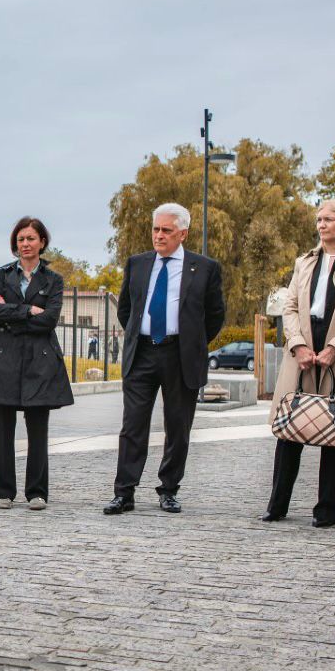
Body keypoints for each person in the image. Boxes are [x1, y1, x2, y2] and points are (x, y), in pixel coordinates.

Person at [262, 200, 335, 527]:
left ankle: (327, 510)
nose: (321, 224)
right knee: (289, 429)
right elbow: (289, 307)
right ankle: (276, 505)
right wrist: (297, 344)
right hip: (302, 349)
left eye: (328, 219)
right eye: (319, 219)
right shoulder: (304, 262)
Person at [104, 203, 225, 516]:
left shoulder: (205, 268)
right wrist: (138, 335)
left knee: (178, 426)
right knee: (132, 426)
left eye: (166, 230)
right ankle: (124, 492)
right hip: (142, 353)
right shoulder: (138, 264)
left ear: (182, 233)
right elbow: (126, 310)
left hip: (180, 355)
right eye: (156, 229)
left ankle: (169, 489)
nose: (159, 235)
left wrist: (190, 342)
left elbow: (214, 316)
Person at [0, 217, 74, 510]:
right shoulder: (1, 275)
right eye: (21, 239)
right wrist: (29, 310)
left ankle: (37, 492)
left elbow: (50, 319)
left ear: (42, 242)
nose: (25, 244)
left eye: (31, 238)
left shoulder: (54, 280)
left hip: (40, 363)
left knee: (38, 431)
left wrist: (13, 314)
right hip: (3, 361)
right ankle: (3, 492)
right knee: (2, 431)